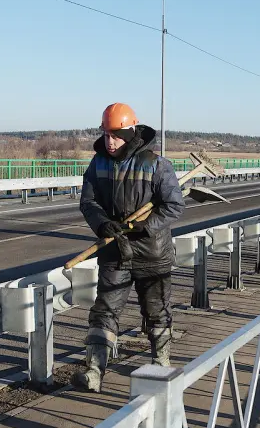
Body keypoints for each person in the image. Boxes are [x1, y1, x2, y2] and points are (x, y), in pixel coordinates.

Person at [72, 102, 185, 392]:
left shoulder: (156, 164)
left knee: (156, 311)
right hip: (114, 252)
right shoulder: (97, 164)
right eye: (106, 134)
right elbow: (88, 202)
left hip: (152, 253)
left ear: (130, 132)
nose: (110, 141)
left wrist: (146, 226)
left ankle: (160, 364)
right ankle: (94, 372)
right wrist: (102, 224)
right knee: (104, 312)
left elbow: (173, 205)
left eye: (116, 135)